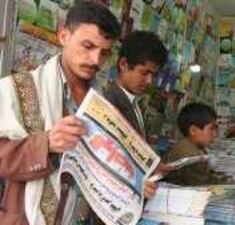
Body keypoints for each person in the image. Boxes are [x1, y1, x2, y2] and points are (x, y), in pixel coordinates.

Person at [0, 2, 153, 225]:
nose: (95, 60)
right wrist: (47, 144)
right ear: (63, 35)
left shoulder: (104, 100)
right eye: (88, 46)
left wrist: (133, 184)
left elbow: (108, 163)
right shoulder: (16, 89)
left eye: (104, 53)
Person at [163, 102, 235, 195]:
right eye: (211, 129)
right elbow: (204, 193)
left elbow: (209, 179)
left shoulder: (191, 146)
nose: (215, 134)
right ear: (193, 130)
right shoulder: (191, 156)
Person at [103, 30, 168, 140]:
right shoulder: (109, 102)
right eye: (144, 73)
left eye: (154, 75)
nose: (149, 81)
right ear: (123, 64)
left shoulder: (137, 104)